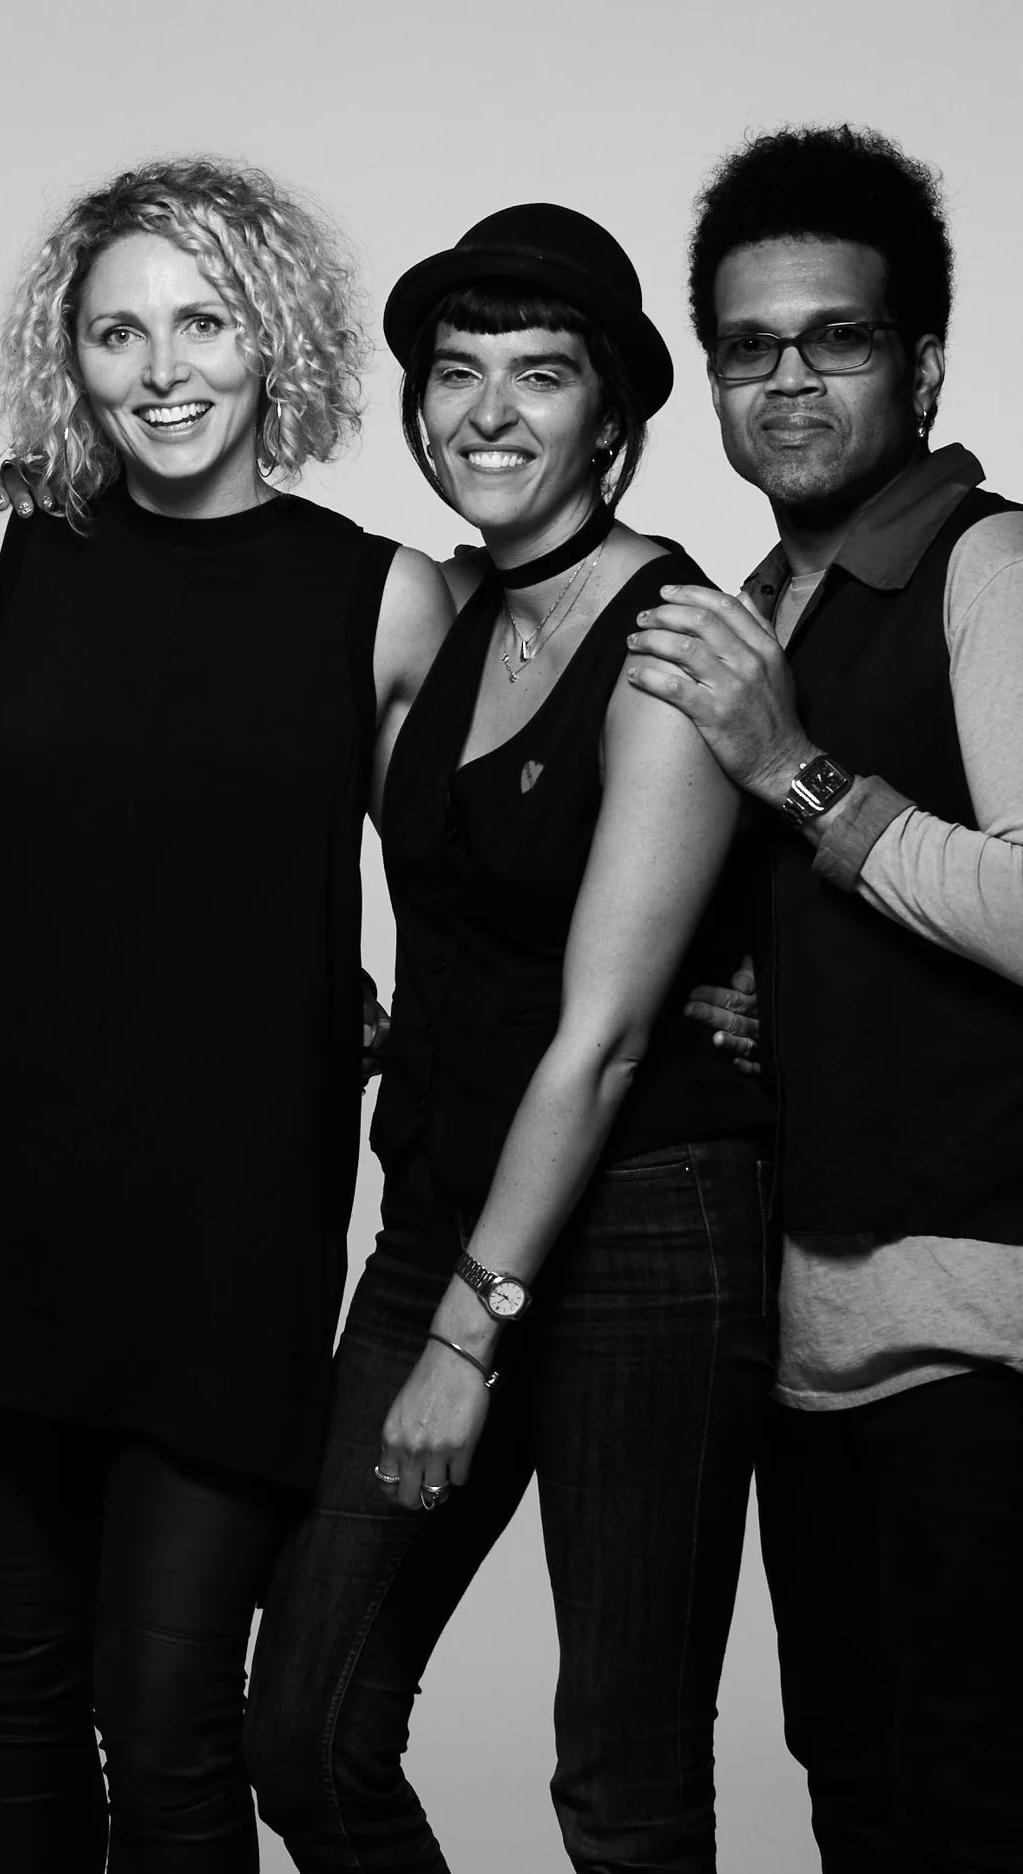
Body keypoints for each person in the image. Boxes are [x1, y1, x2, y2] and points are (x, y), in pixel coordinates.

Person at [0, 158, 453, 1872]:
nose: (162, 367)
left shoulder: (383, 597)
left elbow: (467, 899)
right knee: (19, 1685)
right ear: (74, 356)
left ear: (278, 337)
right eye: (118, 330)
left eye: (202, 321)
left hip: (224, 1235)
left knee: (176, 1713)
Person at [241, 204, 775, 1872]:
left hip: (644, 1224)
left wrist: (468, 1336)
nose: (486, 411)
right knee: (307, 1731)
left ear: (612, 422)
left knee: (620, 1780)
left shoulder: (670, 642)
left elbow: (609, 1035)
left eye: (538, 376)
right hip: (440, 1210)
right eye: (454, 373)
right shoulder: (448, 613)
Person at [627, 125, 1023, 1871]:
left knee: (974, 1790)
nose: (788, 378)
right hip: (815, 1336)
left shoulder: (990, 570)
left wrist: (795, 774)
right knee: (854, 1783)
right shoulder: (768, 599)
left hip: (985, 1326)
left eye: (837, 338)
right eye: (749, 346)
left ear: (921, 357)